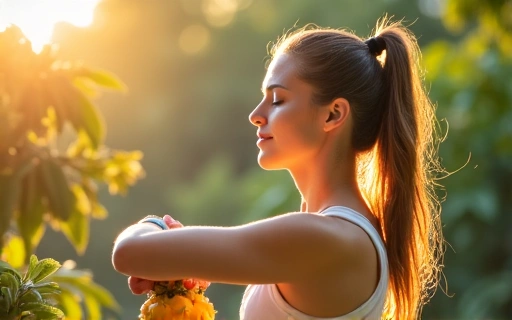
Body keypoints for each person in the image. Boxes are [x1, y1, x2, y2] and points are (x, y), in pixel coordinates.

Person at [112, 18, 445, 319]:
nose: (256, 114)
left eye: (278, 99)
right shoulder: (335, 234)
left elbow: (128, 252)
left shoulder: (324, 237)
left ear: (332, 115)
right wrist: (180, 276)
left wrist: (155, 226)